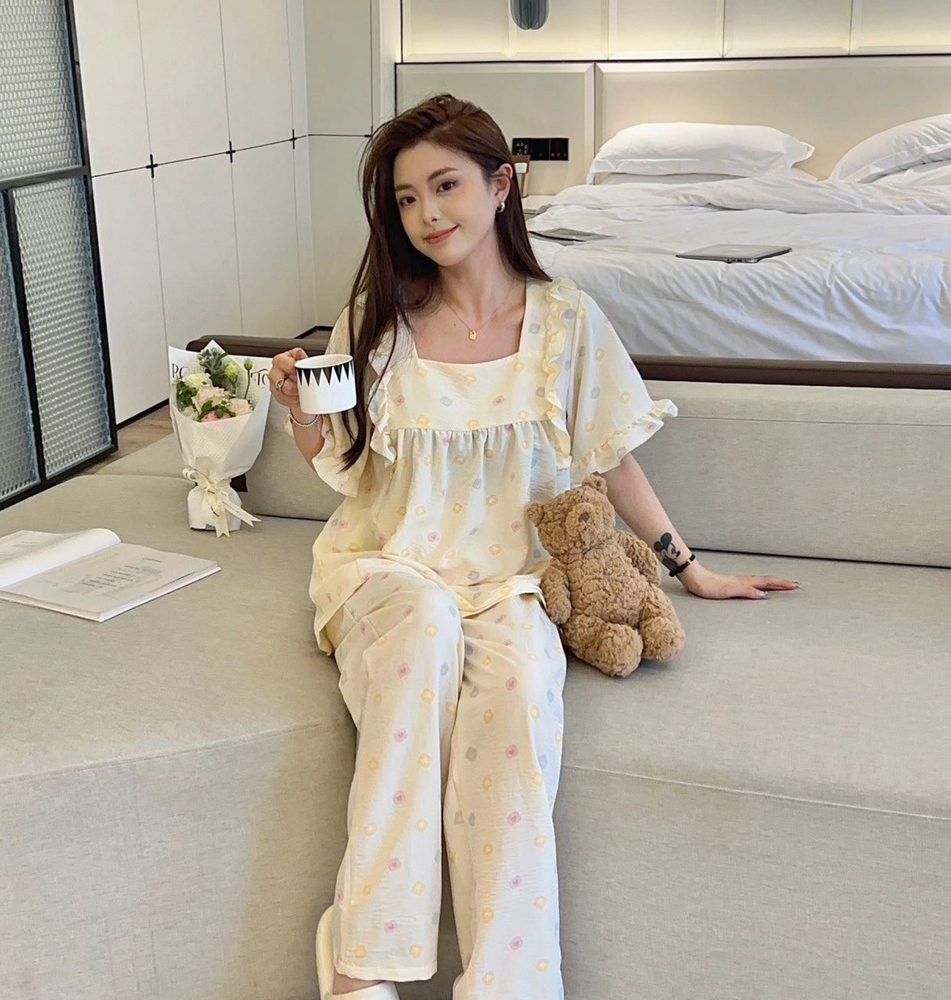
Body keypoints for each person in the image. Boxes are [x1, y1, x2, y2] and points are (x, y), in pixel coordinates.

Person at [269, 93, 799, 1000]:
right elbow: (347, 466)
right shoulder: (377, 320)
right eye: (406, 199)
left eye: (446, 186)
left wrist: (689, 567)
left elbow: (611, 456)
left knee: (519, 697)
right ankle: (362, 964)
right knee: (424, 625)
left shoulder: (566, 323)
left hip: (512, 582)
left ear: (501, 185)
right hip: (388, 567)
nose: (428, 214)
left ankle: (507, 986)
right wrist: (297, 412)